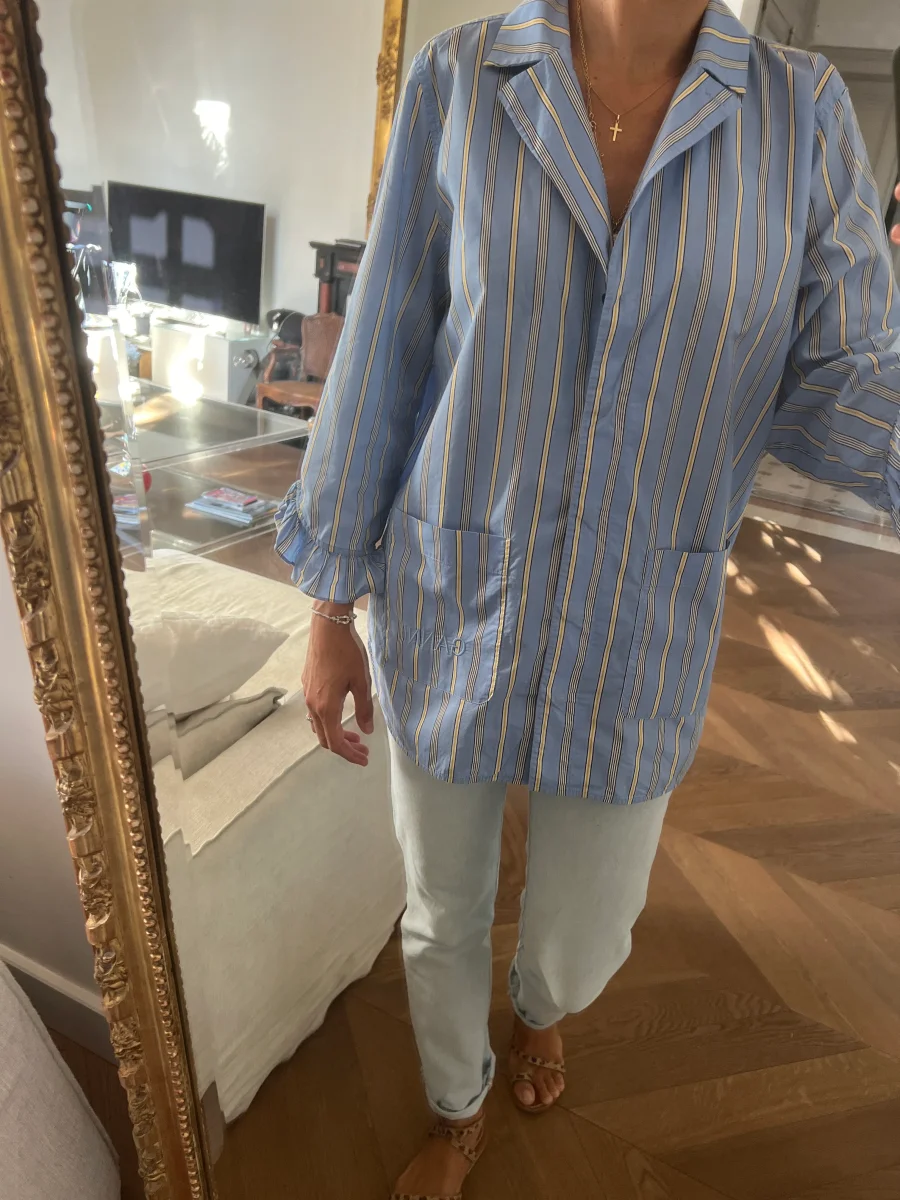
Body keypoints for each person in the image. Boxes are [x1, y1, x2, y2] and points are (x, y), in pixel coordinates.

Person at [276, 1, 900, 1195]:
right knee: (439, 907)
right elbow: (385, 351)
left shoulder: (801, 115)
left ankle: (542, 1004)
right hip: (452, 588)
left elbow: (850, 379)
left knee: (585, 933)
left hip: (640, 614)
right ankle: (456, 1106)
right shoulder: (462, 78)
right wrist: (330, 608)